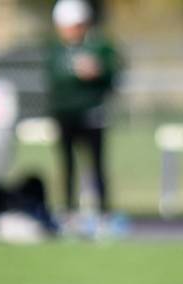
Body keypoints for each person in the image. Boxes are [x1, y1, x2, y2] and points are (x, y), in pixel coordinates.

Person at [45, 0, 122, 234]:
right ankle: (68, 212)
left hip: (92, 114)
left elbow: (112, 75)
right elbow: (55, 79)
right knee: (67, 165)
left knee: (97, 164)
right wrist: (76, 75)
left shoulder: (100, 47)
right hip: (65, 115)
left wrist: (97, 72)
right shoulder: (56, 50)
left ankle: (102, 214)